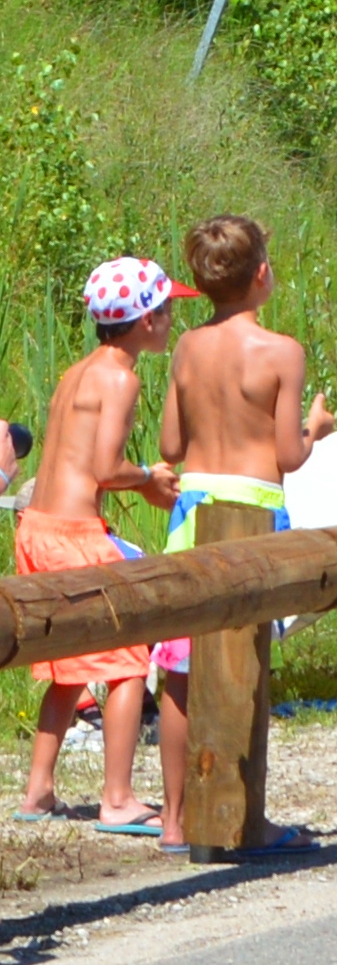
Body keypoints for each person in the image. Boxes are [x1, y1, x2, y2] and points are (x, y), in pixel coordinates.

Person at [155, 215, 337, 856]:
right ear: (261, 273)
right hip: (256, 508)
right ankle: (243, 818)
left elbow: (170, 446)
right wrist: (316, 424)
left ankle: (175, 822)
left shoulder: (186, 349)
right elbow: (289, 455)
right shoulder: (283, 353)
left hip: (196, 508)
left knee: (180, 671)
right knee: (246, 664)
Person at [17, 257, 190, 838]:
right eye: (167, 311)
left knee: (70, 663)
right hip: (72, 534)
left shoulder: (77, 371)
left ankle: (38, 789)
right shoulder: (122, 377)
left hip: (37, 524)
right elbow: (105, 467)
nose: (172, 321)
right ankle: (117, 799)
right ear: (144, 322)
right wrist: (149, 478)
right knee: (127, 658)